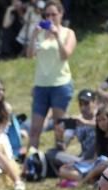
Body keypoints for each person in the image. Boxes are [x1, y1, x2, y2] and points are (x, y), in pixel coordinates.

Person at [26, 0, 76, 150]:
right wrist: (34, 35)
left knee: (59, 127)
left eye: (54, 14)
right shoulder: (40, 34)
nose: (50, 18)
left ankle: (58, 159)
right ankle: (30, 162)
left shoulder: (68, 33)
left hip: (60, 84)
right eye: (47, 15)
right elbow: (29, 55)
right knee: (35, 129)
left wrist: (57, 36)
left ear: (61, 14)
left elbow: (65, 55)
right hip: (41, 85)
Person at [56, 104, 108, 187]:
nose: (101, 123)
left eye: (103, 120)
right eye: (98, 121)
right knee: (63, 169)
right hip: (96, 166)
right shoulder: (100, 135)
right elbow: (95, 159)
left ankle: (83, 182)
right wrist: (77, 163)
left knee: (104, 163)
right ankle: (91, 179)